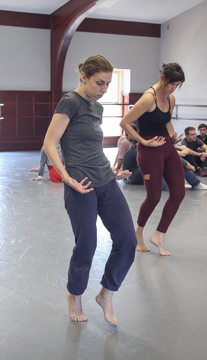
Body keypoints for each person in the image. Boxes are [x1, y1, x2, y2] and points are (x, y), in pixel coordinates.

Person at [43, 55, 136, 324]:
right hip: (80, 185)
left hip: (105, 180)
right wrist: (66, 178)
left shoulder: (96, 107)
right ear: (84, 76)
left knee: (127, 241)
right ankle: (75, 295)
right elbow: (50, 143)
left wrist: (113, 171)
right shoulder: (70, 102)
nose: (104, 89)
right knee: (87, 244)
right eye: (99, 83)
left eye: (107, 84)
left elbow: (92, 147)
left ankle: (106, 293)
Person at [120, 63, 186, 256]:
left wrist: (172, 135)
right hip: (149, 150)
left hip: (166, 146)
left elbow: (167, 122)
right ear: (163, 78)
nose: (173, 88)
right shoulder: (148, 99)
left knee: (179, 193)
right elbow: (124, 122)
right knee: (154, 196)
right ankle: (138, 232)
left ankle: (159, 234)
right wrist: (142, 141)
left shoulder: (170, 98)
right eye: (172, 83)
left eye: (178, 84)